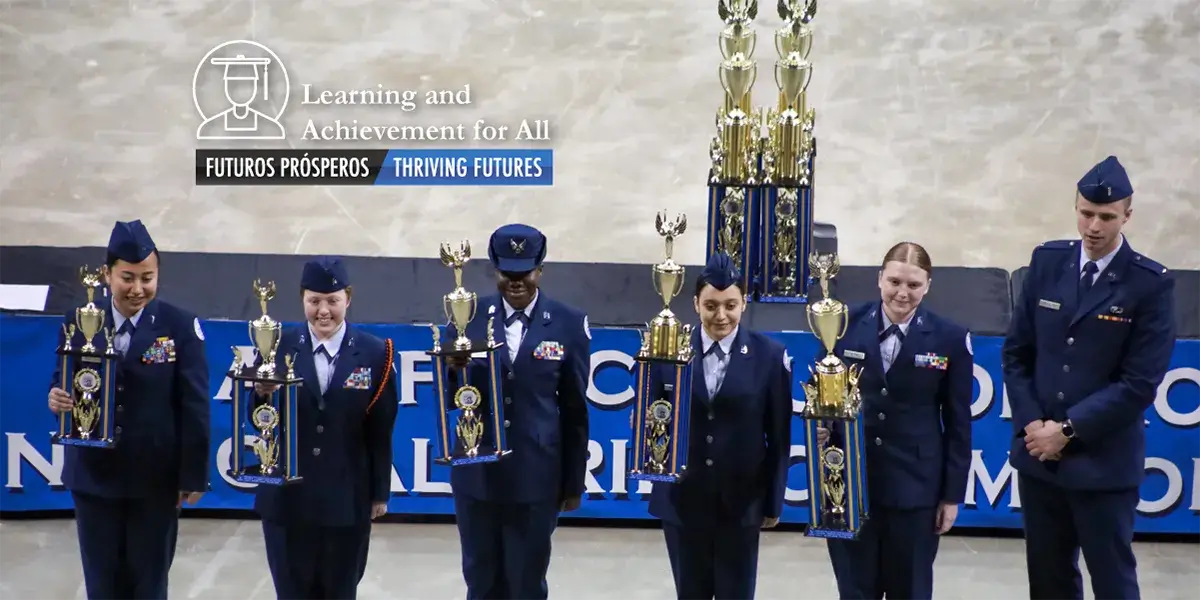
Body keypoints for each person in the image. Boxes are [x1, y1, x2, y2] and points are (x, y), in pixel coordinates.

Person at [1002, 155, 1175, 600]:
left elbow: (1139, 383)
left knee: (1113, 581)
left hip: (1102, 463)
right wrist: (1033, 426)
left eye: (1106, 217)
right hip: (1041, 459)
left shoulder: (1148, 284)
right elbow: (1018, 353)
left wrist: (1069, 431)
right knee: (1048, 580)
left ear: (1127, 216)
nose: (1094, 226)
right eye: (1086, 213)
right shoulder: (1047, 262)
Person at [46, 219, 210, 600]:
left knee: (149, 584)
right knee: (102, 584)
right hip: (93, 477)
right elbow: (62, 380)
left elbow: (195, 404)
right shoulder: (79, 321)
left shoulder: (179, 327)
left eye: (147, 278)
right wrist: (56, 399)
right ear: (107, 275)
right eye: (128, 277)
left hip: (154, 481)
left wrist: (193, 474)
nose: (138, 289)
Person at [816, 241, 974, 600]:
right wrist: (822, 426)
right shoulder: (842, 324)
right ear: (879, 279)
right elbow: (824, 394)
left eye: (913, 285)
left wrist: (952, 496)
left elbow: (958, 422)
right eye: (894, 282)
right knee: (855, 590)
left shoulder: (950, 338)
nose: (902, 293)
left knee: (911, 590)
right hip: (853, 486)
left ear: (928, 285)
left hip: (916, 492)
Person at [444, 223, 591, 600]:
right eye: (507, 273)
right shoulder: (466, 316)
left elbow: (574, 409)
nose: (516, 282)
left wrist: (573, 482)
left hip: (536, 479)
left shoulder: (568, 324)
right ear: (495, 269)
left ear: (540, 269)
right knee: (481, 582)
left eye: (524, 272)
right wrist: (454, 369)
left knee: (526, 584)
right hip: (478, 478)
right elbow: (449, 399)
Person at [250, 256, 399, 600]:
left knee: (340, 591)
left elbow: (381, 428)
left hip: (346, 500)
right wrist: (260, 394)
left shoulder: (377, 354)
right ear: (302, 298)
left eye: (332, 300)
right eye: (314, 300)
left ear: (348, 297)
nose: (323, 311)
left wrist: (379, 493)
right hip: (288, 500)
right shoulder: (275, 345)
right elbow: (257, 417)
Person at [646, 252, 793, 600]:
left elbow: (780, 435)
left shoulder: (770, 356)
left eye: (730, 305)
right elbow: (651, 416)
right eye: (711, 305)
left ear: (744, 304)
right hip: (683, 501)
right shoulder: (668, 348)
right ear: (696, 303)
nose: (721, 316)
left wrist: (772, 502)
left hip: (741, 504)